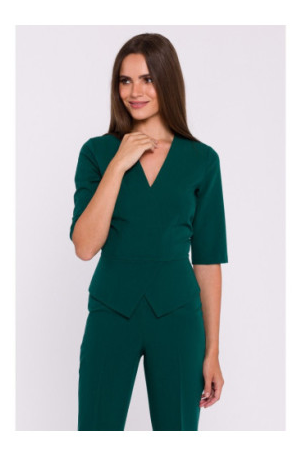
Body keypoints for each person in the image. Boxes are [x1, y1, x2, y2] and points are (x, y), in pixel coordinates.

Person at [69, 33, 228, 431]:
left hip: (178, 317)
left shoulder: (202, 160)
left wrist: (212, 351)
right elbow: (85, 246)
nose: (134, 91)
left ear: (167, 81)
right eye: (125, 80)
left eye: (147, 79)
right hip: (111, 312)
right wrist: (119, 163)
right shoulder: (97, 153)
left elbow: (207, 260)